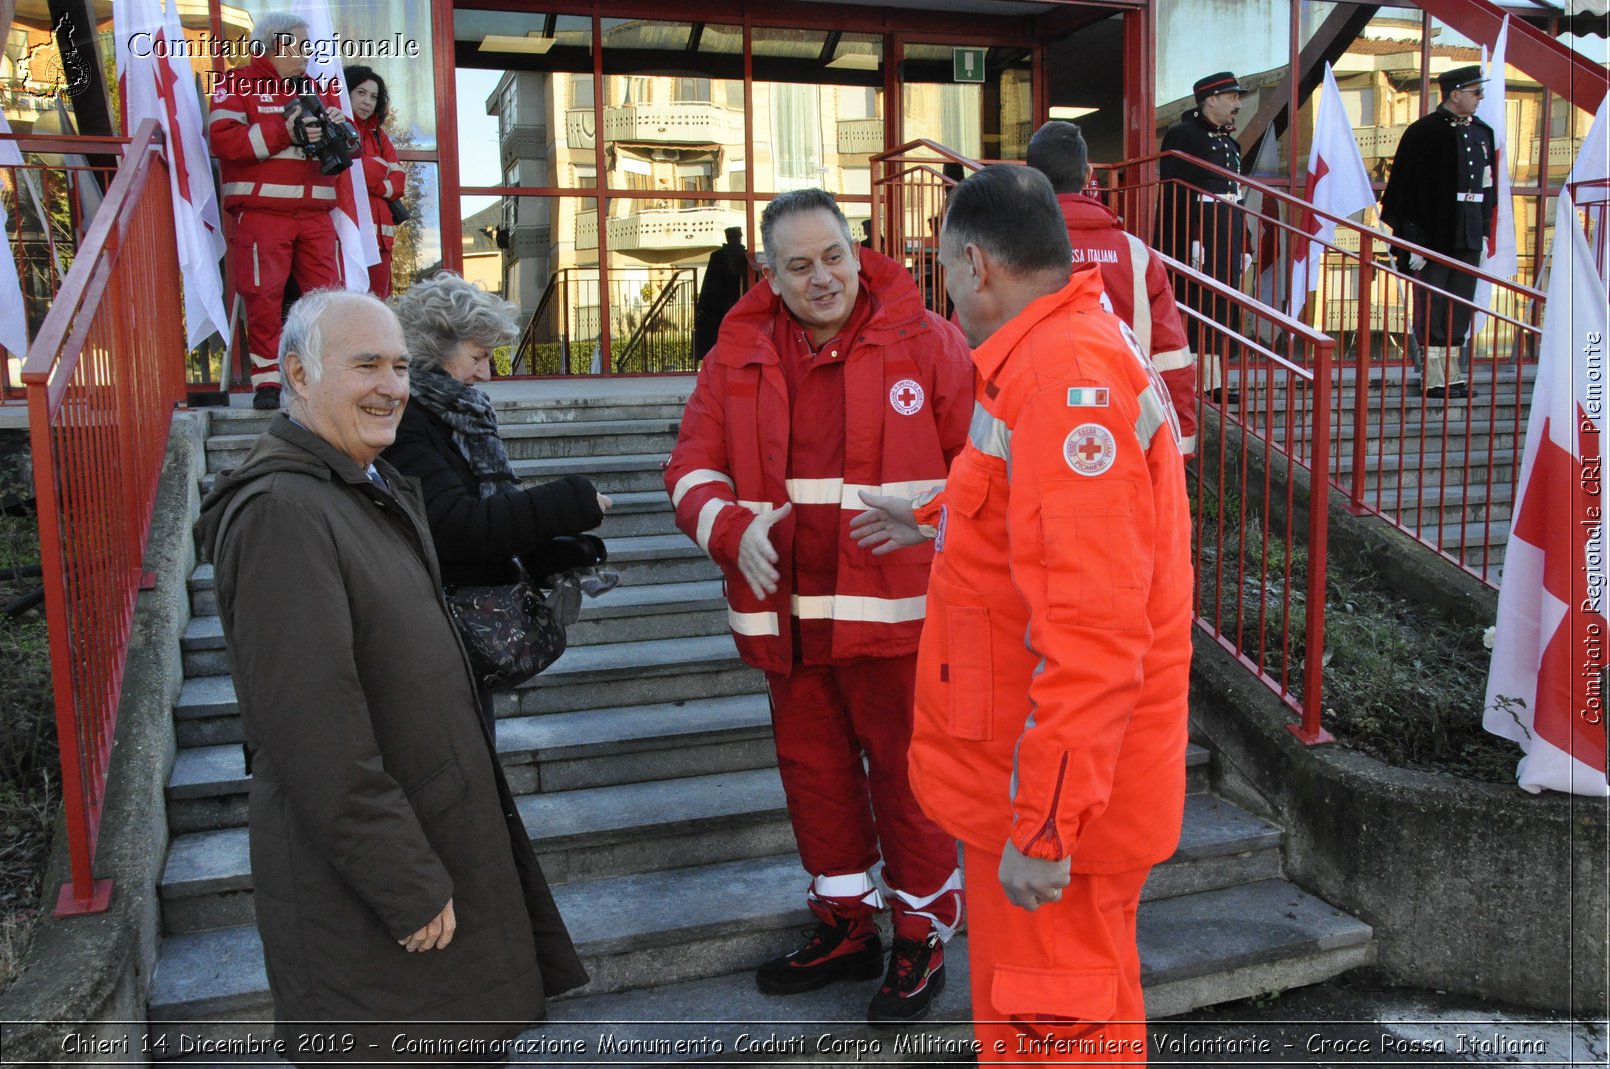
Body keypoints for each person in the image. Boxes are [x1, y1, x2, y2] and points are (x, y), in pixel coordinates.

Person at [853, 166, 1192, 1063]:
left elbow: (1094, 635)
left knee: (1053, 1029)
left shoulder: (1060, 375)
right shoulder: (1067, 345)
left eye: (940, 266)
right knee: (1073, 1014)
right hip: (1041, 786)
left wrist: (1047, 826)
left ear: (975, 263)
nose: (943, 287)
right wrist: (924, 512)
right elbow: (1023, 496)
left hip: (1048, 804)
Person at [195, 290, 589, 1061]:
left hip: (436, 844)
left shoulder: (360, 485)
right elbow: (313, 730)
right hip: (377, 894)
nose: (393, 386)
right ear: (298, 376)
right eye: (366, 364)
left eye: (402, 366)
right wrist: (403, 880)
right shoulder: (283, 511)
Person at [663, 188, 973, 1023]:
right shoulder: (734, 355)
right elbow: (690, 468)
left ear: (858, 249)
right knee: (816, 775)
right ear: (770, 272)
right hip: (789, 619)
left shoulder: (930, 342)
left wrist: (928, 516)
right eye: (798, 265)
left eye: (833, 255)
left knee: (910, 783)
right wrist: (728, 527)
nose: (822, 277)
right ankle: (845, 920)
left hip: (897, 619)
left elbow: (987, 472)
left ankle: (922, 929)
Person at [382, 273, 612, 729]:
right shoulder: (405, 421)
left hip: (454, 631)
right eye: (478, 356)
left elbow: (480, 513)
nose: (486, 373)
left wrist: (548, 552)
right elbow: (458, 526)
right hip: (429, 637)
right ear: (436, 347)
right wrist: (572, 499)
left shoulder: (455, 413)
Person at [1027, 120, 1199, 457]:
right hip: (1125, 434)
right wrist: (1181, 445)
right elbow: (1171, 358)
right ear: (1088, 172)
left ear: (1031, 178)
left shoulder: (1010, 249)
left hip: (1032, 431)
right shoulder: (1137, 254)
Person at [209, 12, 349, 410]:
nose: (309, 54)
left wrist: (336, 131)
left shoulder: (315, 89)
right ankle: (267, 380)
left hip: (316, 215)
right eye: (302, 46)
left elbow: (339, 152)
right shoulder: (235, 85)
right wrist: (284, 131)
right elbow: (225, 142)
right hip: (262, 213)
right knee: (263, 296)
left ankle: (327, 375)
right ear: (276, 44)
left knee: (327, 299)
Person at [1379, 64, 1496, 400]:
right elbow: (1405, 191)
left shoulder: (1481, 133)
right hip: (1433, 234)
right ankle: (1432, 379)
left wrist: (1484, 231)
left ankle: (1453, 377)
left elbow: (1488, 189)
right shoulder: (1423, 132)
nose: (1480, 97)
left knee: (1460, 306)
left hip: (1468, 230)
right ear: (1454, 93)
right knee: (1432, 305)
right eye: (1475, 91)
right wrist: (1412, 242)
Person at [1157, 71, 1251, 405]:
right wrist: (1191, 235)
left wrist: (1246, 241)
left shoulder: (1227, 140)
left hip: (1227, 225)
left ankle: (1214, 380)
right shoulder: (1184, 135)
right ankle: (1195, 379)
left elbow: (1236, 194)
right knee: (1199, 303)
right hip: (1198, 227)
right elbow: (1176, 190)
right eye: (1232, 97)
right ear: (1211, 98)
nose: (1237, 104)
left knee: (1223, 301)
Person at [344, 65, 405, 298]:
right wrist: (379, 171)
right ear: (346, 91)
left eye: (373, 96)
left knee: (379, 307)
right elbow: (353, 172)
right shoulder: (336, 127)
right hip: (349, 236)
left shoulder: (379, 136)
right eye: (361, 92)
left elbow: (399, 182)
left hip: (381, 242)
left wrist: (372, 179)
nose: (368, 101)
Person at [694, 226, 749, 360]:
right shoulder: (721, 256)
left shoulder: (745, 256)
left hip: (729, 302)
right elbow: (710, 281)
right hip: (722, 303)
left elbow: (709, 282)